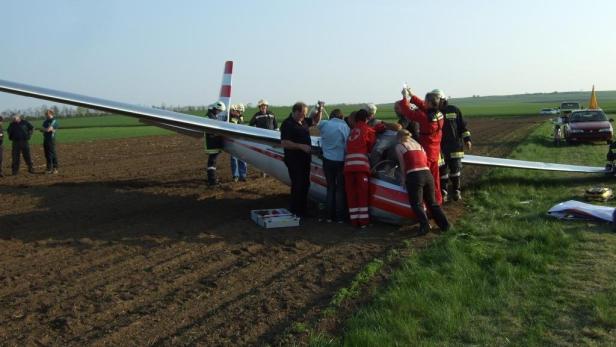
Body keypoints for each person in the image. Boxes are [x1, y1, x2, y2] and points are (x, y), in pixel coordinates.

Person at [397, 88, 448, 204]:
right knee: (435, 180)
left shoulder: (424, 118)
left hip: (427, 153)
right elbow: (425, 107)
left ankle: (427, 205)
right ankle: (438, 201)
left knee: (426, 181)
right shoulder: (439, 115)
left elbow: (407, 111)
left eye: (426, 101)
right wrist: (412, 96)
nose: (424, 103)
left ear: (430, 103)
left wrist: (405, 98)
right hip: (436, 152)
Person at [395, 129, 450, 235]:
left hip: (414, 175)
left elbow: (403, 166)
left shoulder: (400, 146)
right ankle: (445, 225)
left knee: (417, 204)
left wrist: (403, 179)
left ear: (399, 138)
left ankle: (424, 227)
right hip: (427, 175)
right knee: (432, 203)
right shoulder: (419, 145)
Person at [280, 101, 323, 218]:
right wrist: (300, 146)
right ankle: (295, 210)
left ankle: (302, 210)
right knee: (297, 184)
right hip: (294, 159)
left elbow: (315, 121)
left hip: (305, 159)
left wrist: (320, 109)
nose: (305, 115)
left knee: (305, 184)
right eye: (303, 113)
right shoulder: (287, 124)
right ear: (296, 112)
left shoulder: (304, 121)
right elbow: (284, 143)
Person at [344, 109, 376, 228]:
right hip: (360, 166)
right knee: (362, 194)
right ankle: (363, 222)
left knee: (351, 194)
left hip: (348, 167)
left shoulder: (352, 131)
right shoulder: (368, 129)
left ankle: (354, 221)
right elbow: (372, 146)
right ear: (367, 118)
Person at [317, 108, 350, 222]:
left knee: (330, 188)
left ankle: (329, 216)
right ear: (341, 117)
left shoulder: (324, 124)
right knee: (340, 189)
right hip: (340, 160)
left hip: (327, 160)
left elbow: (318, 123)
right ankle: (340, 216)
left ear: (331, 116)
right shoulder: (344, 127)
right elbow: (347, 145)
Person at [439, 103, 471, 201]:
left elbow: (462, 126)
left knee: (455, 171)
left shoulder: (454, 109)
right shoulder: (433, 112)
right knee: (442, 172)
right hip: (440, 148)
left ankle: (456, 191)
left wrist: (467, 139)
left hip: (455, 147)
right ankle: (443, 193)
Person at [204, 101, 226, 186]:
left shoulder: (210, 116)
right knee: (212, 161)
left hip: (212, 142)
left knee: (212, 161)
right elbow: (212, 131)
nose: (219, 112)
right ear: (216, 109)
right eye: (219, 111)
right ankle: (212, 181)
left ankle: (211, 179)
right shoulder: (211, 117)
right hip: (212, 142)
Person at [229, 103, 248, 182]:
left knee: (242, 158)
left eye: (240, 112)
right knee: (234, 158)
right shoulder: (231, 119)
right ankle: (235, 175)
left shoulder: (241, 118)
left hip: (241, 141)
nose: (240, 113)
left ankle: (243, 175)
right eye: (239, 111)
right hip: (233, 141)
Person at [41, 109, 59, 174]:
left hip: (51, 140)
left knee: (52, 154)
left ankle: (55, 168)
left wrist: (46, 129)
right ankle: (49, 169)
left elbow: (48, 130)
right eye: (45, 114)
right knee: (47, 155)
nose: (45, 115)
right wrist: (46, 129)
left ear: (51, 114)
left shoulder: (54, 121)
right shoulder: (45, 121)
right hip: (45, 139)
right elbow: (43, 128)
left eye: (47, 114)